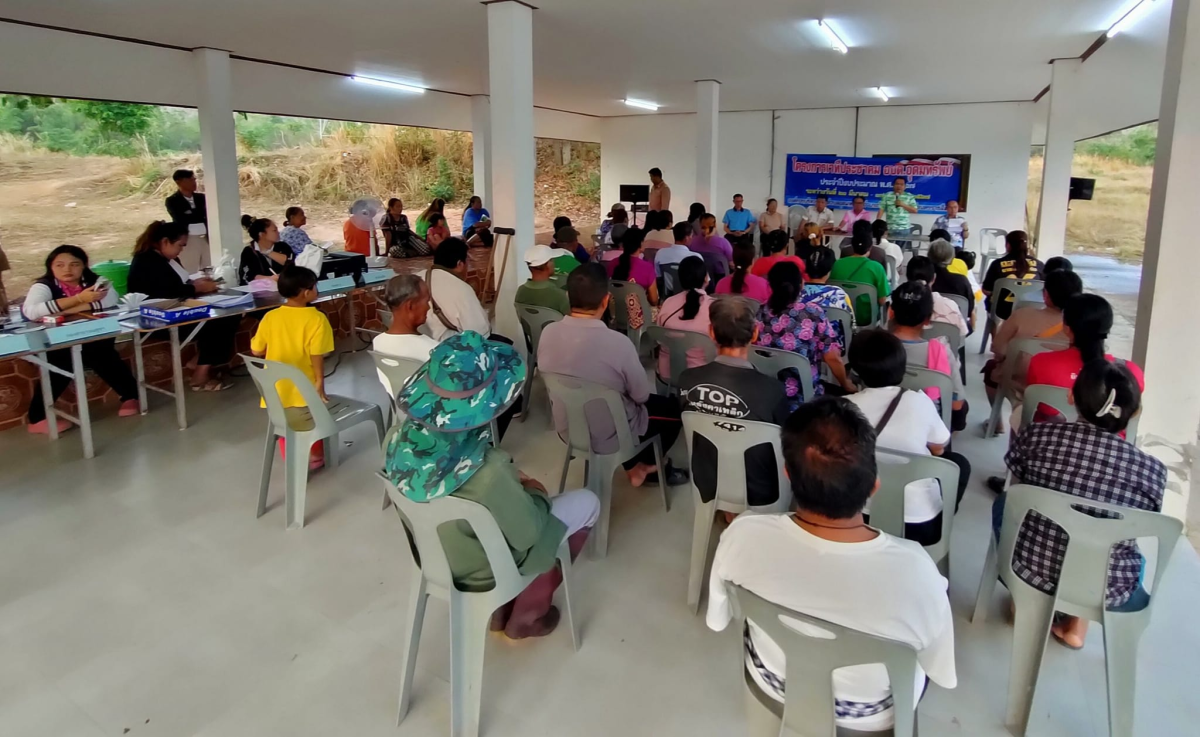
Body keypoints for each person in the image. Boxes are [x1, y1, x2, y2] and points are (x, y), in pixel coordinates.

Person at [707, 397, 957, 734]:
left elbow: (719, 619)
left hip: (773, 682)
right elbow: (939, 669)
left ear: (787, 475)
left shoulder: (742, 533)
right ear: (874, 486)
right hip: (868, 715)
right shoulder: (918, 571)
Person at [384, 331, 600, 639]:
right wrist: (536, 490)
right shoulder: (489, 473)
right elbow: (529, 534)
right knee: (587, 503)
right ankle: (528, 612)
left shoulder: (393, 441)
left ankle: (499, 614)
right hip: (488, 569)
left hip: (437, 558)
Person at [1000, 361, 1163, 648]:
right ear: (1135, 412)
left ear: (1071, 397)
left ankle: (1022, 604)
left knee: (1006, 504)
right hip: (1108, 588)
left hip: (1029, 566)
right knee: (1118, 541)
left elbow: (1019, 481)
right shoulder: (1152, 471)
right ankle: (1076, 627)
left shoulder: (1037, 437)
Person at [538, 263, 689, 488]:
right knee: (672, 410)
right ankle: (644, 467)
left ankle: (633, 466)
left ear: (568, 296)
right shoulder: (618, 343)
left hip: (569, 430)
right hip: (612, 435)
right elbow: (640, 396)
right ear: (606, 300)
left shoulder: (548, 333)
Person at [847, 330, 971, 546]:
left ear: (856, 372)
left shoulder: (842, 408)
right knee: (959, 464)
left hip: (856, 517)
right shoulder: (920, 402)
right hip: (919, 526)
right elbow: (939, 447)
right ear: (903, 368)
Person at [680, 296, 791, 507]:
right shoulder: (772, 390)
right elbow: (785, 440)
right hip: (760, 488)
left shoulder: (687, 379)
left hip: (708, 480)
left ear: (711, 332)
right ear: (755, 333)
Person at [21, 245, 139, 434]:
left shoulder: (96, 281)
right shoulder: (43, 286)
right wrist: (80, 301)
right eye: (59, 265)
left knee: (101, 353)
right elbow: (32, 312)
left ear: (84, 266)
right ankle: (37, 418)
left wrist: (62, 310)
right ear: (51, 267)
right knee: (58, 362)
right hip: (56, 342)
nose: (67, 270)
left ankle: (131, 396)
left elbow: (108, 302)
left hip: (94, 336)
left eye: (74, 264)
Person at [127, 220, 238, 392]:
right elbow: (167, 291)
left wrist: (196, 283)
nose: (181, 250)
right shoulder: (147, 262)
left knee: (230, 314)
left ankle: (198, 362)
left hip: (178, 309)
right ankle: (200, 375)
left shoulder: (168, 259)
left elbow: (178, 283)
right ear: (165, 242)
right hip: (157, 317)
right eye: (180, 245)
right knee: (219, 322)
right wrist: (196, 288)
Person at [250, 265, 334, 471]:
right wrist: (319, 382)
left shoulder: (270, 317)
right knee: (318, 419)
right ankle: (314, 457)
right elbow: (317, 356)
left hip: (275, 398)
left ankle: (291, 457)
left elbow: (256, 350)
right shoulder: (316, 319)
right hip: (303, 397)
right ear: (307, 293)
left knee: (285, 426)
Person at [1025, 293, 1145, 423]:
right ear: (1108, 328)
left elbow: (1040, 405)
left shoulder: (1041, 363)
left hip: (1051, 438)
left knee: (1019, 414)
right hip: (1111, 442)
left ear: (1066, 328)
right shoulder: (1131, 372)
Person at [757, 262, 854, 405]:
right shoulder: (812, 312)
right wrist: (846, 383)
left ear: (770, 286)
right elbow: (832, 357)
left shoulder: (760, 312)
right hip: (806, 398)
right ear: (802, 284)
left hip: (767, 397)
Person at [986, 269, 1083, 405]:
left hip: (1020, 381)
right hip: (1067, 387)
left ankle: (998, 424)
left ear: (1046, 295)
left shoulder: (1022, 315)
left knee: (990, 368)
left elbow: (998, 348)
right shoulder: (1083, 324)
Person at [372, 274, 440, 396]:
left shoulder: (378, 342)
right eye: (426, 301)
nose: (428, 307)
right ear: (410, 306)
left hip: (401, 409)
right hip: (428, 411)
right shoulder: (432, 349)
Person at [655, 256, 714, 378]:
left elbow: (659, 338)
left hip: (667, 373)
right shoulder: (714, 307)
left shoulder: (668, 303)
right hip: (701, 377)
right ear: (706, 279)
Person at [423, 237, 492, 342]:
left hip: (421, 343)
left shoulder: (418, 278)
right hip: (448, 350)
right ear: (460, 264)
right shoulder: (462, 289)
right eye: (467, 262)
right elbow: (481, 333)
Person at [830, 227, 890, 326]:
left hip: (841, 312)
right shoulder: (877, 267)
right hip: (867, 318)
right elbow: (882, 300)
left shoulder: (837, 264)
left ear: (852, 246)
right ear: (870, 247)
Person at [982, 230, 1045, 320]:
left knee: (992, 301)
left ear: (1008, 245)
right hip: (1032, 309)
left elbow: (986, 290)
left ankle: (996, 332)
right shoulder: (1039, 265)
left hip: (1003, 310)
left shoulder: (997, 264)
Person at [801, 248, 855, 344]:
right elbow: (852, 325)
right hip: (833, 347)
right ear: (829, 270)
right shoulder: (839, 294)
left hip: (802, 347)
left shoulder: (795, 292)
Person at [905, 256, 968, 338]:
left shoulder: (897, 305)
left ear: (907, 277)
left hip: (907, 350)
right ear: (934, 278)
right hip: (942, 350)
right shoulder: (950, 306)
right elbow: (961, 336)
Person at [164, 169, 211, 273]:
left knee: (209, 266)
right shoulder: (173, 200)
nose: (194, 183)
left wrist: (192, 214)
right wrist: (195, 215)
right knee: (190, 267)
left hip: (206, 237)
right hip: (188, 239)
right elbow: (180, 218)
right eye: (190, 180)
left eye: (194, 179)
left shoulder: (201, 198)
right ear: (179, 181)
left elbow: (208, 215)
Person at [928, 239, 976, 332]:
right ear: (951, 259)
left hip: (924, 328)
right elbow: (969, 309)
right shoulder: (961, 281)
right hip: (955, 329)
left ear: (929, 256)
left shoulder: (924, 279)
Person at [606, 227, 660, 305]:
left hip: (615, 312)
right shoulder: (648, 268)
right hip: (639, 315)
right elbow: (654, 300)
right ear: (640, 244)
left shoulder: (612, 263)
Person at [516, 244, 571, 315]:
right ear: (548, 265)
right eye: (552, 260)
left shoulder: (521, 291)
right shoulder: (559, 295)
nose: (554, 262)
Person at [238, 215, 293, 285]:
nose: (278, 232)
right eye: (274, 230)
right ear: (262, 234)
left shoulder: (283, 246)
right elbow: (248, 276)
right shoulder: (249, 252)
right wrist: (270, 279)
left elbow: (290, 264)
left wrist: (267, 252)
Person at [877, 177, 919, 243]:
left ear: (905, 186)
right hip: (889, 228)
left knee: (899, 251)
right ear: (893, 185)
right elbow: (881, 209)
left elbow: (915, 210)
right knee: (888, 249)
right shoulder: (887, 195)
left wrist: (902, 204)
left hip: (903, 228)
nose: (899, 186)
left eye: (901, 184)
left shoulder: (909, 196)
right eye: (897, 184)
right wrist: (878, 222)